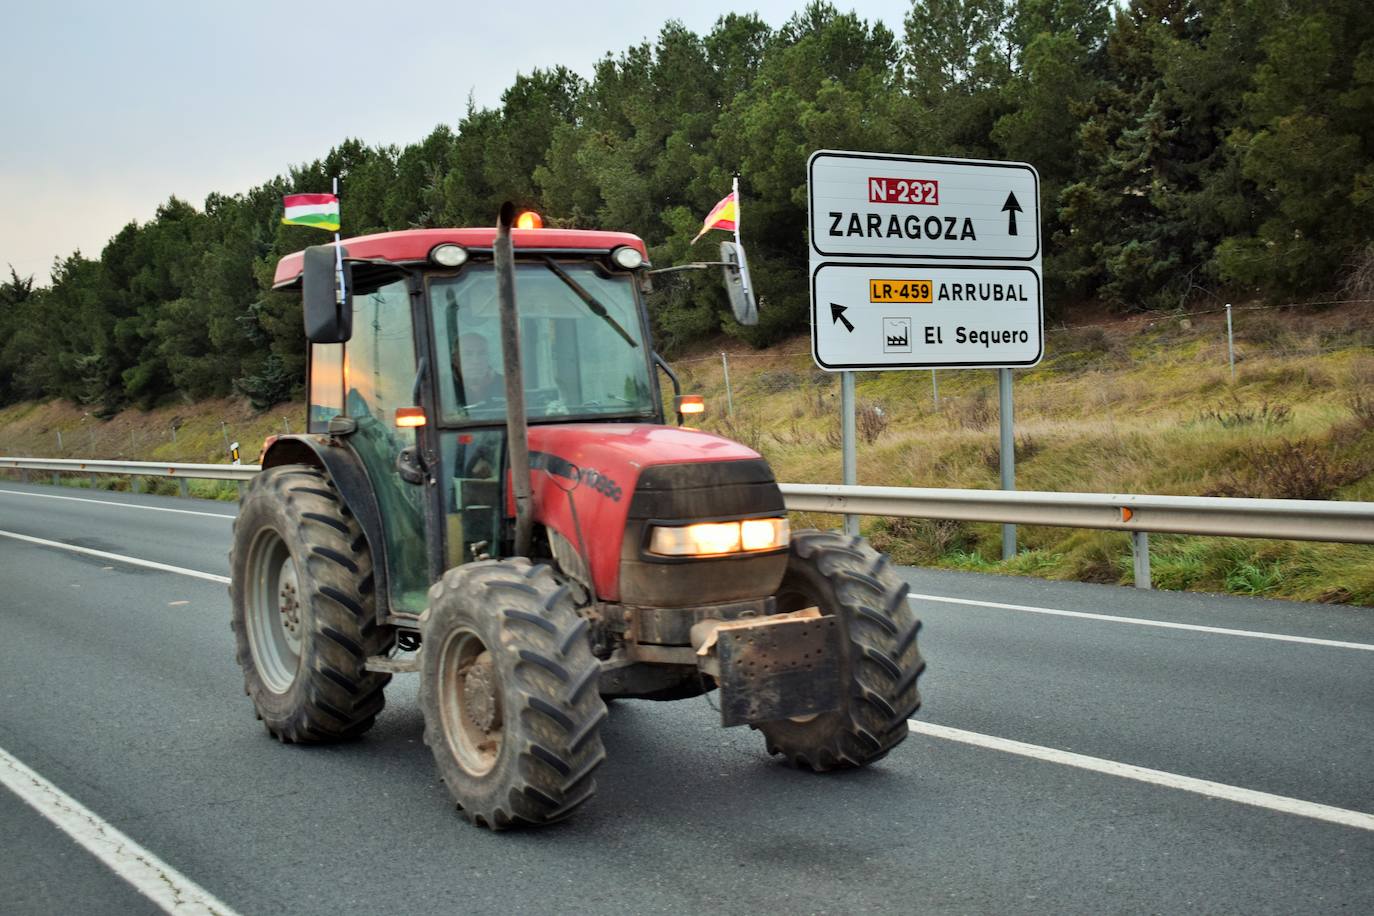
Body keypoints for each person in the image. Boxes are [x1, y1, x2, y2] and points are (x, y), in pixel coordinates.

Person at [451, 332, 504, 406]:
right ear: (455, 359)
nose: (476, 361)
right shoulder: (443, 387)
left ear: (489, 357)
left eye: (482, 353)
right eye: (467, 354)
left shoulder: (506, 384)